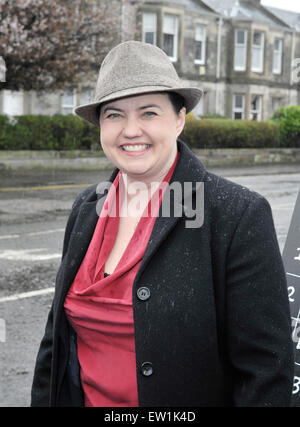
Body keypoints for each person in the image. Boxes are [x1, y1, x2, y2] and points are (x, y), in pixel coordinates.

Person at [31, 40, 294, 407]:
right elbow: (55, 342)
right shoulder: (86, 207)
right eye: (114, 114)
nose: (130, 130)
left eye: (149, 113)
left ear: (180, 119)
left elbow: (266, 370)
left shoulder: (236, 213)